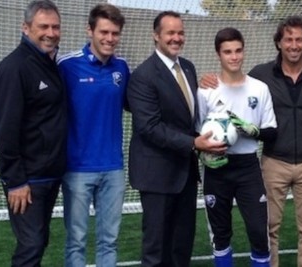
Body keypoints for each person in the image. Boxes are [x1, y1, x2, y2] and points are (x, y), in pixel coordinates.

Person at [200, 16, 302, 267]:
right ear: (279, 43)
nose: (294, 45)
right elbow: (235, 83)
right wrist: (209, 80)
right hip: (274, 162)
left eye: (299, 39)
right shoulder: (261, 76)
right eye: (288, 39)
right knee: (267, 229)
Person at [126, 11, 226, 267]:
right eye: (170, 33)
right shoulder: (143, 76)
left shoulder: (188, 68)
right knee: (156, 250)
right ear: (156, 35)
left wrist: (207, 137)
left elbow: (187, 117)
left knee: (181, 246)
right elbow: (149, 127)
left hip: (185, 173)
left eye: (180, 33)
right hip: (157, 174)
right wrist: (194, 143)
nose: (176, 38)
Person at [0, 0, 66, 266]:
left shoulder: (49, 63)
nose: (51, 32)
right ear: (26, 28)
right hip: (28, 179)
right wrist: (16, 181)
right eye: (43, 26)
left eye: (55, 26)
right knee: (31, 244)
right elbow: (5, 130)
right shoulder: (14, 67)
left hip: (49, 174)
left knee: (39, 241)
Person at [197, 27, 277, 267]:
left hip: (247, 167)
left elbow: (271, 131)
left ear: (244, 51)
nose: (234, 57)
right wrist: (203, 152)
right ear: (218, 54)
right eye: (228, 52)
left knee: (258, 233)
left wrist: (254, 131)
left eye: (238, 51)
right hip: (216, 169)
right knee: (220, 236)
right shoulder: (206, 91)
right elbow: (195, 132)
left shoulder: (259, 88)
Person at [56, 4, 128, 267]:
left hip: (113, 168)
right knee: (76, 240)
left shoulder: (122, 67)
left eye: (115, 33)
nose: (110, 39)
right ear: (90, 30)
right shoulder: (66, 65)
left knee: (109, 240)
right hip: (77, 169)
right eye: (104, 32)